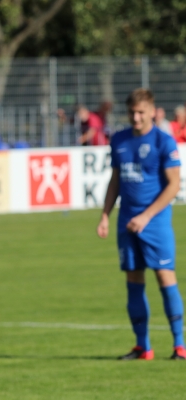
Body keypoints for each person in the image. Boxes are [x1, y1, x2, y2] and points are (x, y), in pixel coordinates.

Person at [97, 88, 185, 360]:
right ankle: (142, 347)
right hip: (126, 223)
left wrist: (146, 216)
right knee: (133, 281)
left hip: (155, 223)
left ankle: (180, 346)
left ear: (152, 111)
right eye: (132, 112)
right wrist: (105, 215)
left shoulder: (163, 141)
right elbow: (116, 181)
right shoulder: (120, 140)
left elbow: (173, 186)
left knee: (164, 277)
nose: (136, 117)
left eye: (141, 112)